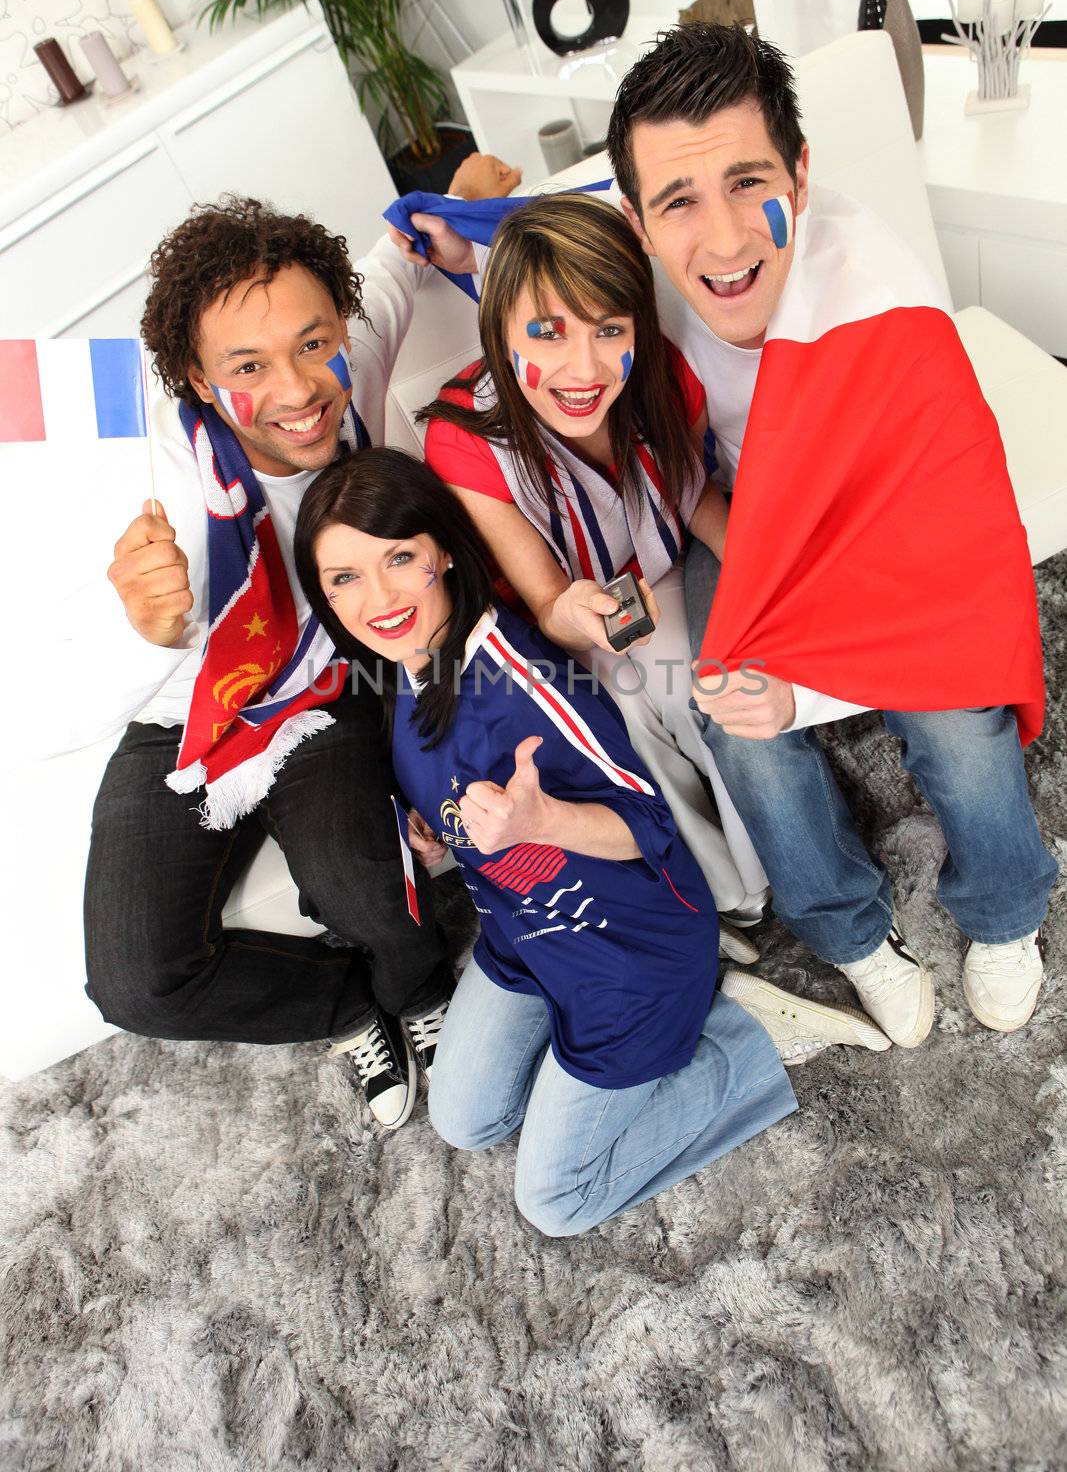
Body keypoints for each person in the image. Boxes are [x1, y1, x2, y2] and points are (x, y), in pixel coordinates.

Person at [293, 447, 890, 1237]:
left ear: (440, 550)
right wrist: (435, 838)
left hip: (628, 956)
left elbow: (648, 826)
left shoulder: (525, 680)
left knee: (556, 1203)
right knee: (466, 1123)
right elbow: (455, 800)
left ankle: (744, 1037)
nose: (378, 598)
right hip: (522, 942)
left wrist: (543, 823)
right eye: (345, 578)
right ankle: (658, 1039)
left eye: (398, 558)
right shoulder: (399, 669)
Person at [603, 22, 1056, 1042]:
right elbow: (517, 277)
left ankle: (1005, 908)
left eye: (746, 182)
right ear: (634, 218)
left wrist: (808, 684)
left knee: (949, 702)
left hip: (881, 513)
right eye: (676, 201)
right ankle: (848, 932)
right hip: (745, 511)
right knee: (733, 712)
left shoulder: (878, 299)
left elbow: (943, 555)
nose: (719, 240)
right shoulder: (624, 290)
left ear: (799, 178)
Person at [81, 158, 517, 1131]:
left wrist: (460, 188)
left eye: (311, 343)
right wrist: (148, 631)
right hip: (183, 705)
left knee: (366, 890)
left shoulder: (340, 368)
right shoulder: (155, 477)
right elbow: (68, 669)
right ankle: (347, 1006)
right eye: (246, 367)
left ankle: (416, 992)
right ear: (196, 378)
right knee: (134, 981)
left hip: (321, 690)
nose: (295, 387)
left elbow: (397, 254)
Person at [418, 191, 769, 957]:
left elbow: (694, 493)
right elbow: (544, 597)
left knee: (703, 690)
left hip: (661, 567)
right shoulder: (463, 440)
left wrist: (763, 564)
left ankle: (763, 872)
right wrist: (577, 617)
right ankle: (714, 894)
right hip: (566, 615)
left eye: (609, 330)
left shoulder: (663, 374)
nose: (583, 368)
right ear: (499, 329)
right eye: (547, 333)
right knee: (629, 710)